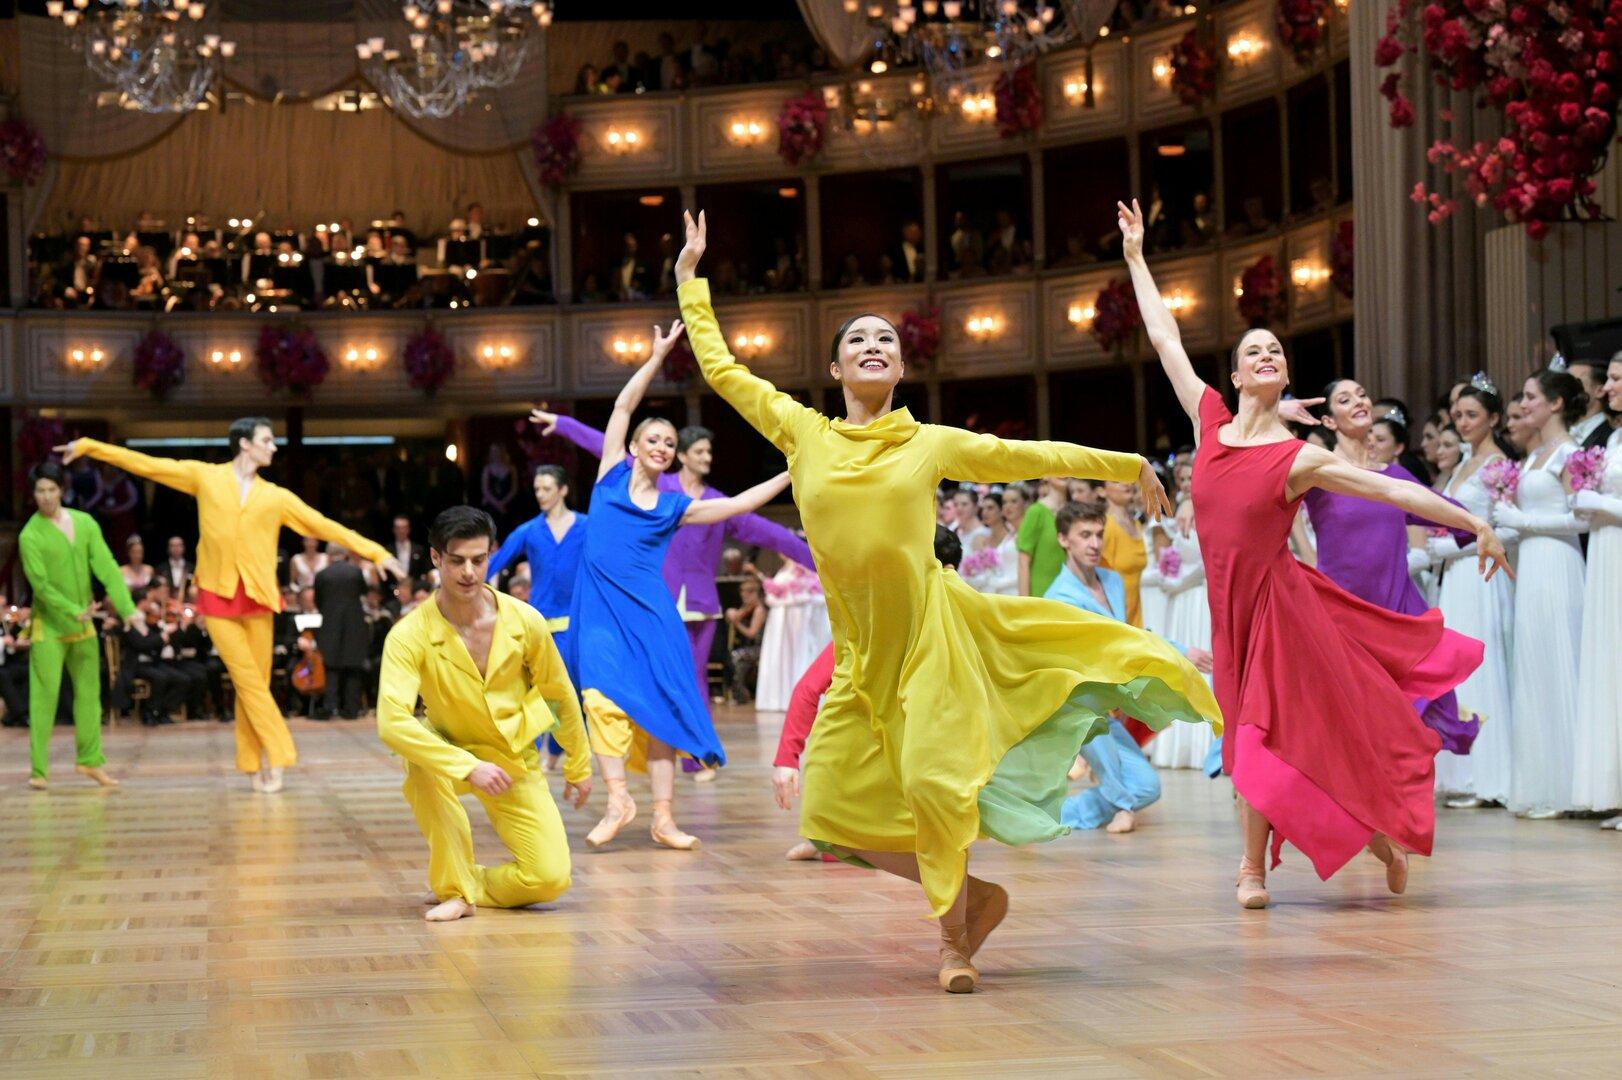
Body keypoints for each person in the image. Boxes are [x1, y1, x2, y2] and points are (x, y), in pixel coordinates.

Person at [677, 209, 1218, 993]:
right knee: (826, 817)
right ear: (836, 371)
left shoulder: (927, 442)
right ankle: (972, 898)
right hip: (860, 656)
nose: (873, 347)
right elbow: (725, 372)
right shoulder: (802, 433)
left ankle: (952, 948)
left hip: (930, 639)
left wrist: (1123, 461)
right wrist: (692, 278)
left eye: (886, 342)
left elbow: (1023, 454)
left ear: (899, 370)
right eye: (857, 341)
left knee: (934, 791)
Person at [1117, 197, 1507, 910]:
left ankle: (1252, 869)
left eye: (1275, 350)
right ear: (1235, 377)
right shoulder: (1208, 421)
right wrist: (1138, 258)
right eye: (1252, 351)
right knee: (1249, 739)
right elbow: (1165, 338)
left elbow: (1391, 492)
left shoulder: (1299, 457)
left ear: (1283, 374)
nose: (1266, 355)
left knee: (1265, 738)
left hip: (1278, 609)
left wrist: (1471, 522)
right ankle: (1373, 838)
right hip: (1227, 613)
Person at [57, 419, 405, 793]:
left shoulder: (275, 497)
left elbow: (322, 526)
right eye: (267, 440)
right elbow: (147, 464)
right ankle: (280, 752)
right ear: (244, 444)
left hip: (258, 600)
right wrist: (92, 446)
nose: (274, 447)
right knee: (248, 681)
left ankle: (252, 763)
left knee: (253, 685)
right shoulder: (205, 477)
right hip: (216, 597)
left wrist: (376, 552)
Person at [569, 320, 793, 851]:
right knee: (600, 698)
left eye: (670, 443)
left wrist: (792, 471)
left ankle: (664, 818)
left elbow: (735, 505)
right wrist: (655, 357)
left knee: (662, 708)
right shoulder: (609, 474)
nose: (663, 446)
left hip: (652, 615)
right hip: (600, 612)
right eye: (655, 439)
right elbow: (623, 408)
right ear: (636, 446)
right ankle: (619, 798)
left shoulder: (675, 507)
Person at [533, 412, 813, 733]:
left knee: (694, 675)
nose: (707, 457)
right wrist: (566, 424)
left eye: (710, 452)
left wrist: (814, 560)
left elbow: (766, 530)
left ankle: (696, 754)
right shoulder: (658, 489)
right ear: (681, 456)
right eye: (700, 451)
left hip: (700, 604)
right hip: (656, 600)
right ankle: (654, 742)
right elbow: (606, 445)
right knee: (645, 673)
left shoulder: (713, 502)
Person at [376, 507, 592, 923]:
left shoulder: (525, 620)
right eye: (457, 560)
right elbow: (392, 720)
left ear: (492, 554)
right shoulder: (408, 635)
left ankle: (466, 882)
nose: (469, 572)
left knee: (550, 878)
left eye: (479, 559)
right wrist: (467, 765)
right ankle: (455, 889)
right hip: (449, 753)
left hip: (513, 757)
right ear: (436, 558)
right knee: (421, 764)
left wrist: (580, 765)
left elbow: (559, 694)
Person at [1296, 378, 1480, 754]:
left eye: (1362, 395)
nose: (1359, 401)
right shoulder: (1318, 472)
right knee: (1351, 725)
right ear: (1329, 422)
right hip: (1345, 617)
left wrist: (1480, 526)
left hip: (1397, 611)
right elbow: (1256, 467)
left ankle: (1404, 806)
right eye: (1345, 400)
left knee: (1410, 721)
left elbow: (1440, 508)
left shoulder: (1395, 476)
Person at [774, 526, 964, 861]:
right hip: (865, 750)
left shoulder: (959, 623)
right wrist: (786, 760)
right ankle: (830, 840)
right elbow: (808, 689)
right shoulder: (871, 627)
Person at [1045, 501, 1215, 833]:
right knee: (1110, 770)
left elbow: (1130, 635)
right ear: (1064, 540)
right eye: (1084, 535)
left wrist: (1181, 651)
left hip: (1104, 704)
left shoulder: (1111, 581)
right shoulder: (1059, 597)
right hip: (1074, 709)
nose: (1094, 544)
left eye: (1098, 534)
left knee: (1149, 787)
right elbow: (1111, 646)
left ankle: (1055, 816)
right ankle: (1120, 805)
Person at [1496, 368, 1588, 819]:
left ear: (1555, 404)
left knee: (1559, 658)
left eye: (1532, 397)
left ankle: (1571, 784)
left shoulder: (1569, 454)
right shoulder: (1533, 458)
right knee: (1532, 662)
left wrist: (1523, 523)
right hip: (1531, 564)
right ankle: (1540, 783)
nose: (1525, 404)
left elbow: (1582, 518)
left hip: (1558, 562)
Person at [18, 462, 141, 789]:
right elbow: (41, 587)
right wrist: (75, 610)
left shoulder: (85, 523)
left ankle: (90, 761)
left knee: (90, 695)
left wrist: (128, 609)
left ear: (62, 489)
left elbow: (108, 567)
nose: (46, 497)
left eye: (52, 489)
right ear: (33, 495)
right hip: (51, 627)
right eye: (40, 491)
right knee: (44, 698)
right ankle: (39, 771)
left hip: (83, 624)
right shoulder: (29, 535)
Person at [1427, 380, 1520, 808]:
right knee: (1453, 667)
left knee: (1481, 664)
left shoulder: (1498, 464)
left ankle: (1489, 772)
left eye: (1472, 416)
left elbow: (1504, 523)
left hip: (1479, 571)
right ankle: (1460, 770)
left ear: (1494, 419)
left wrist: (1460, 545)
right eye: (1458, 415)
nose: (1463, 423)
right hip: (1455, 574)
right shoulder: (1462, 464)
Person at [486, 464, 587, 769]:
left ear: (563, 490)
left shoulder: (587, 526)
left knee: (569, 690)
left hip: (575, 623)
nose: (541, 495)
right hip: (538, 623)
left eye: (547, 489)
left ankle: (558, 750)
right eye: (537, 490)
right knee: (534, 690)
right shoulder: (529, 530)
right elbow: (495, 561)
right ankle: (536, 750)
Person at [1571, 357, 1622, 825]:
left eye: (1616, 380)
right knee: (1612, 664)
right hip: (1608, 551)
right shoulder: (1616, 438)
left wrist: (1598, 501)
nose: (1607, 388)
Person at [314, 545, 369, 720]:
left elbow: (318, 601)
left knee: (331, 667)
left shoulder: (322, 575)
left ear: (329, 556)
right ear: (345, 555)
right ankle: (352, 709)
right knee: (352, 667)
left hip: (330, 624)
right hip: (354, 624)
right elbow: (364, 592)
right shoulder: (355, 572)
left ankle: (331, 707)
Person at [1099, 481, 1146, 626]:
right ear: (1102, 491)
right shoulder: (1105, 526)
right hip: (1115, 616)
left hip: (1138, 614)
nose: (1126, 484)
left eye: (1127, 479)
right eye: (1116, 481)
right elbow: (1097, 575)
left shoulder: (1136, 524)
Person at [1017, 476, 1068, 596]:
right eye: (1057, 466)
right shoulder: (1036, 512)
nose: (1064, 472)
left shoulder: (1076, 511)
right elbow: (1023, 563)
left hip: (1073, 597)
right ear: (1046, 475)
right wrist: (1025, 604)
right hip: (1041, 595)